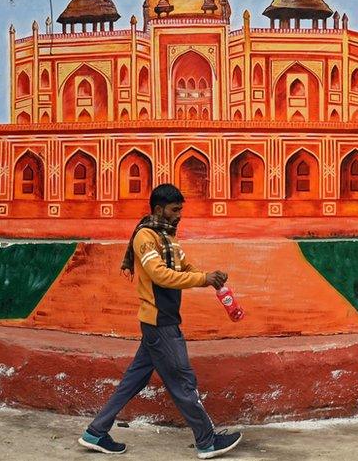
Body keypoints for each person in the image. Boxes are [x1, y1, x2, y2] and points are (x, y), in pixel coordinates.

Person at [78, 183, 243, 458]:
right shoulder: (146, 237)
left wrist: (209, 276)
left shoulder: (167, 237)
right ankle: (207, 441)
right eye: (175, 210)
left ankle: (95, 432)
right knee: (182, 381)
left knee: (133, 381)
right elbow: (160, 275)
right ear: (158, 209)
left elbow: (183, 267)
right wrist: (203, 279)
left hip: (160, 322)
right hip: (160, 323)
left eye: (181, 210)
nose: (179, 215)